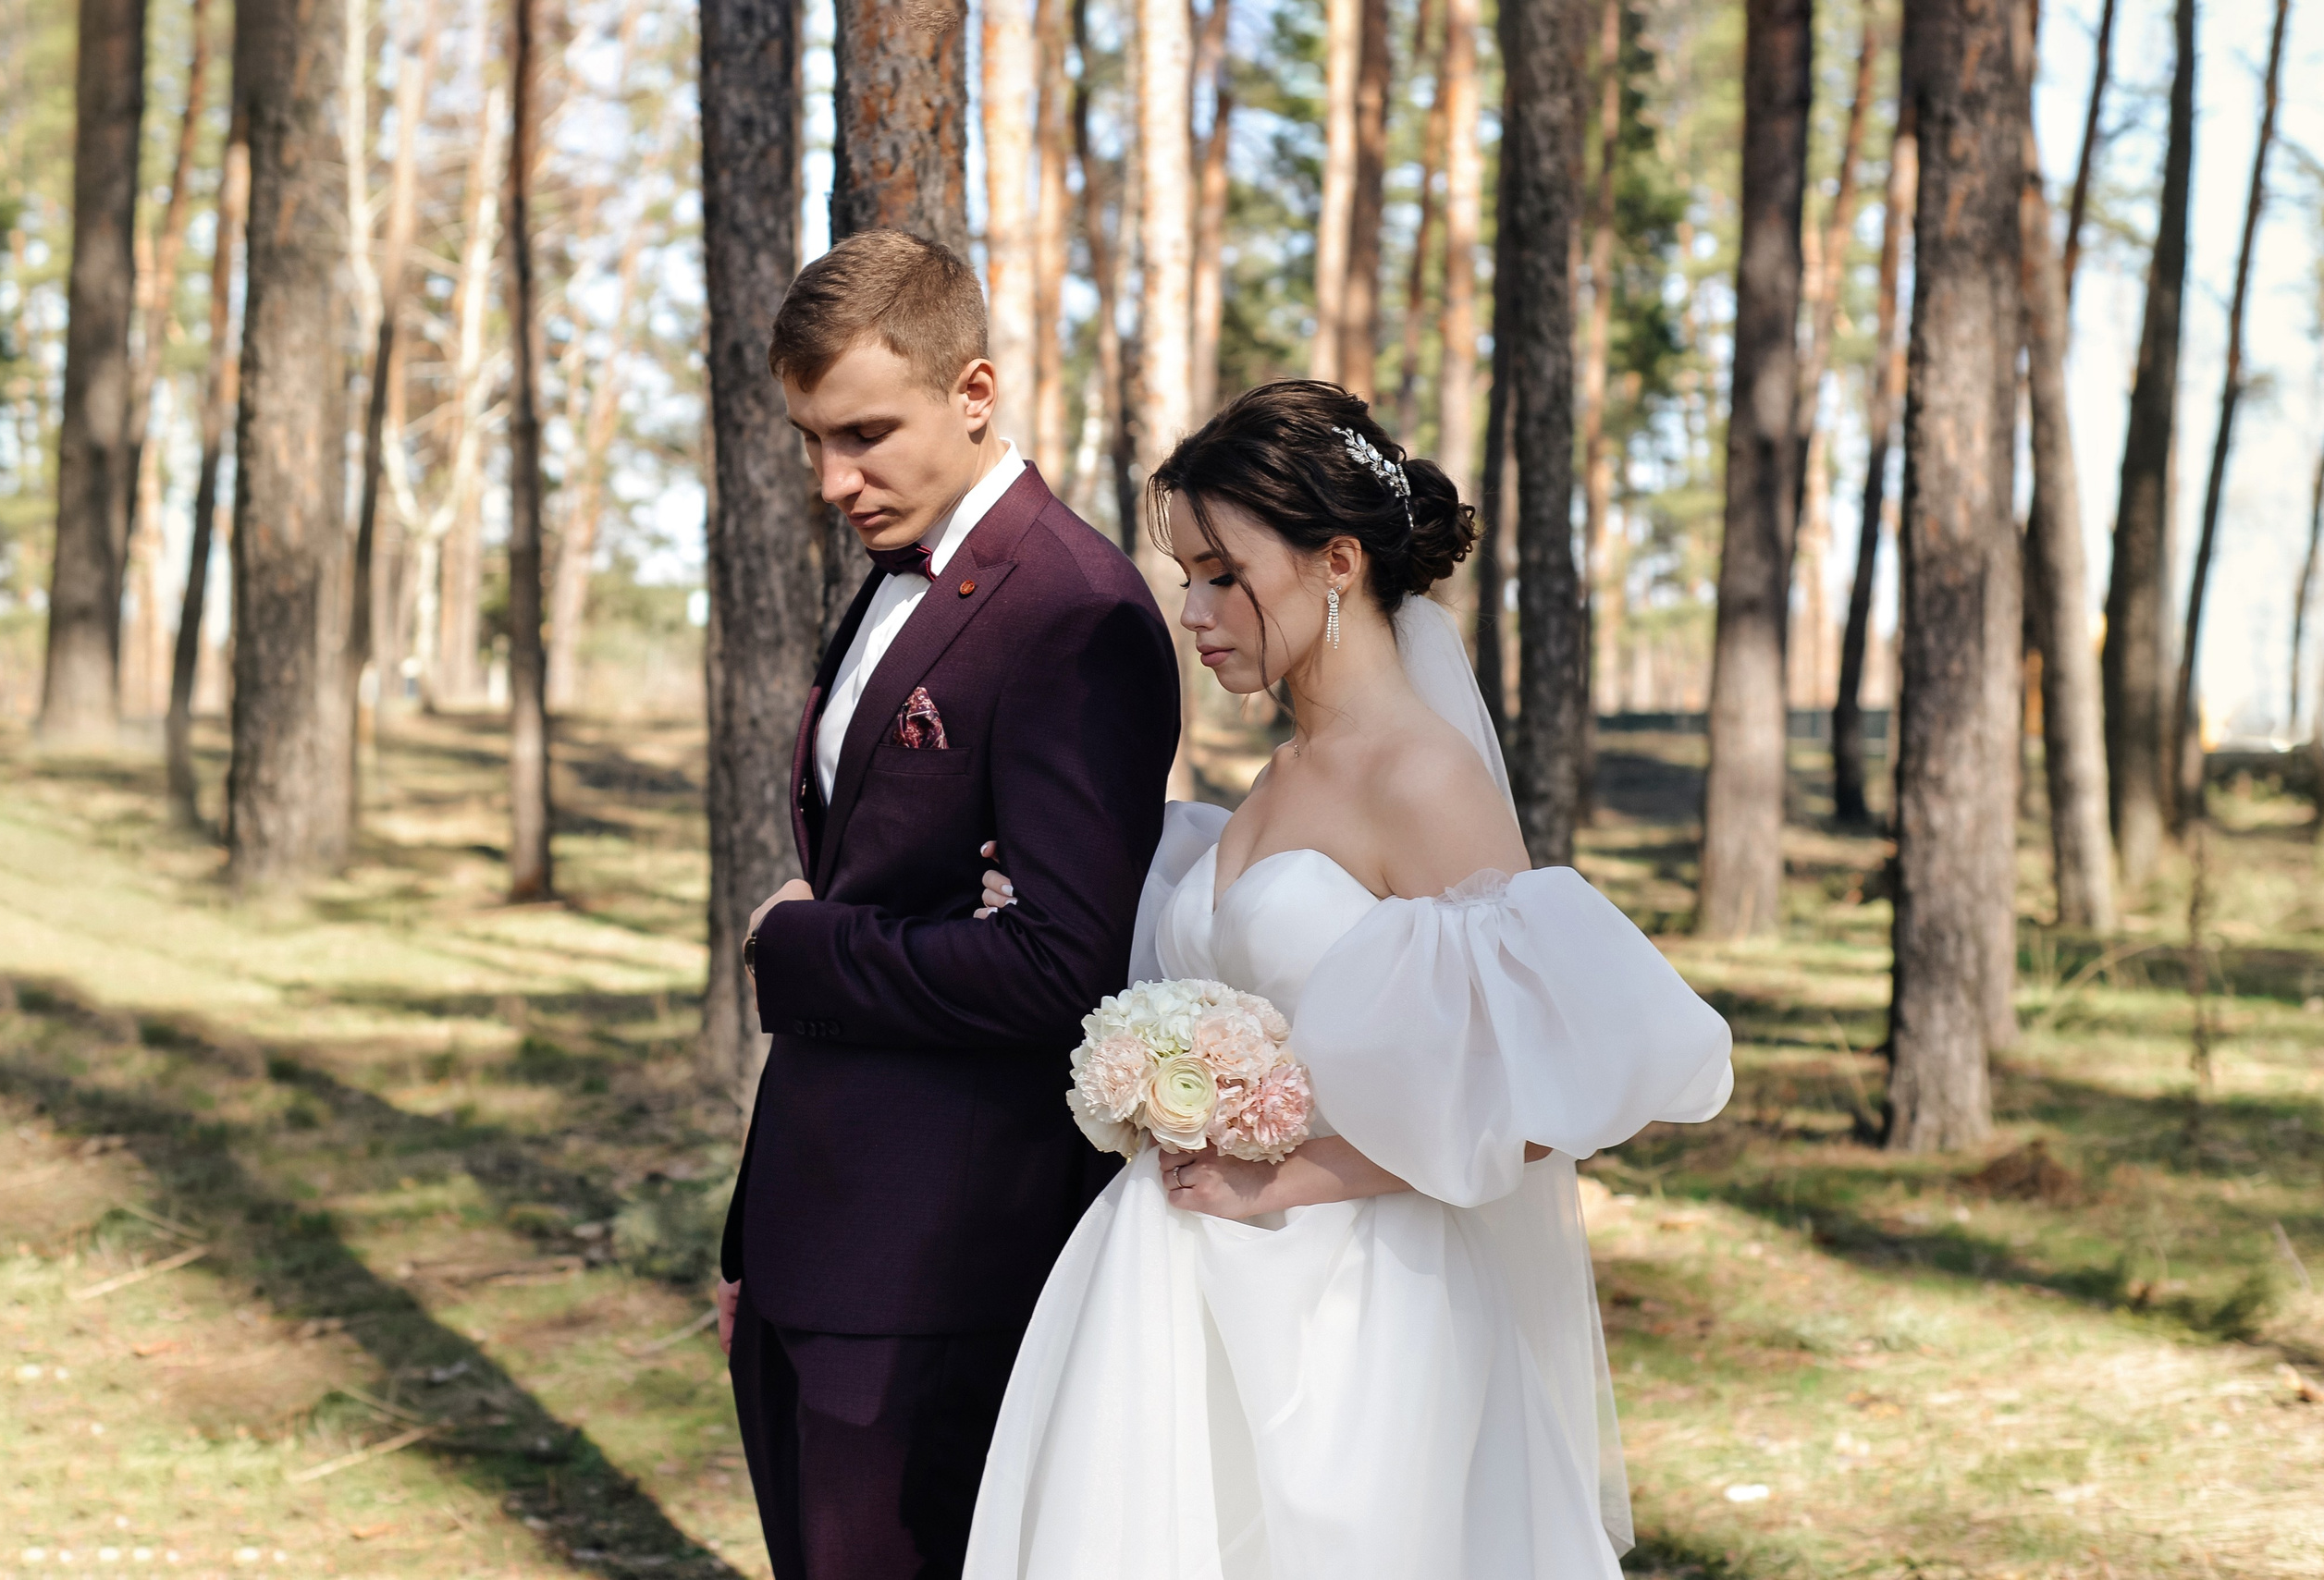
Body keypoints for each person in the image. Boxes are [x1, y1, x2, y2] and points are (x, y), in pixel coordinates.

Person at [962, 381, 1736, 1578]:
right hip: (1176, 1286)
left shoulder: (1423, 780)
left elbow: (1541, 1092)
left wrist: (1287, 1177)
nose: (1194, 610)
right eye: (1187, 575)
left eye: (1224, 573)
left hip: (1365, 1314)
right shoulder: (1279, 778)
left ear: (1336, 561)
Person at [715, 228, 1182, 1580]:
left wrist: (799, 947)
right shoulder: (896, 572)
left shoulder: (1076, 613)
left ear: (974, 392)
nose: (831, 480)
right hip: (815, 1227)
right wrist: (762, 1232)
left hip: (935, 1263)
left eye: (864, 434)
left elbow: (1060, 967)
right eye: (810, 440)